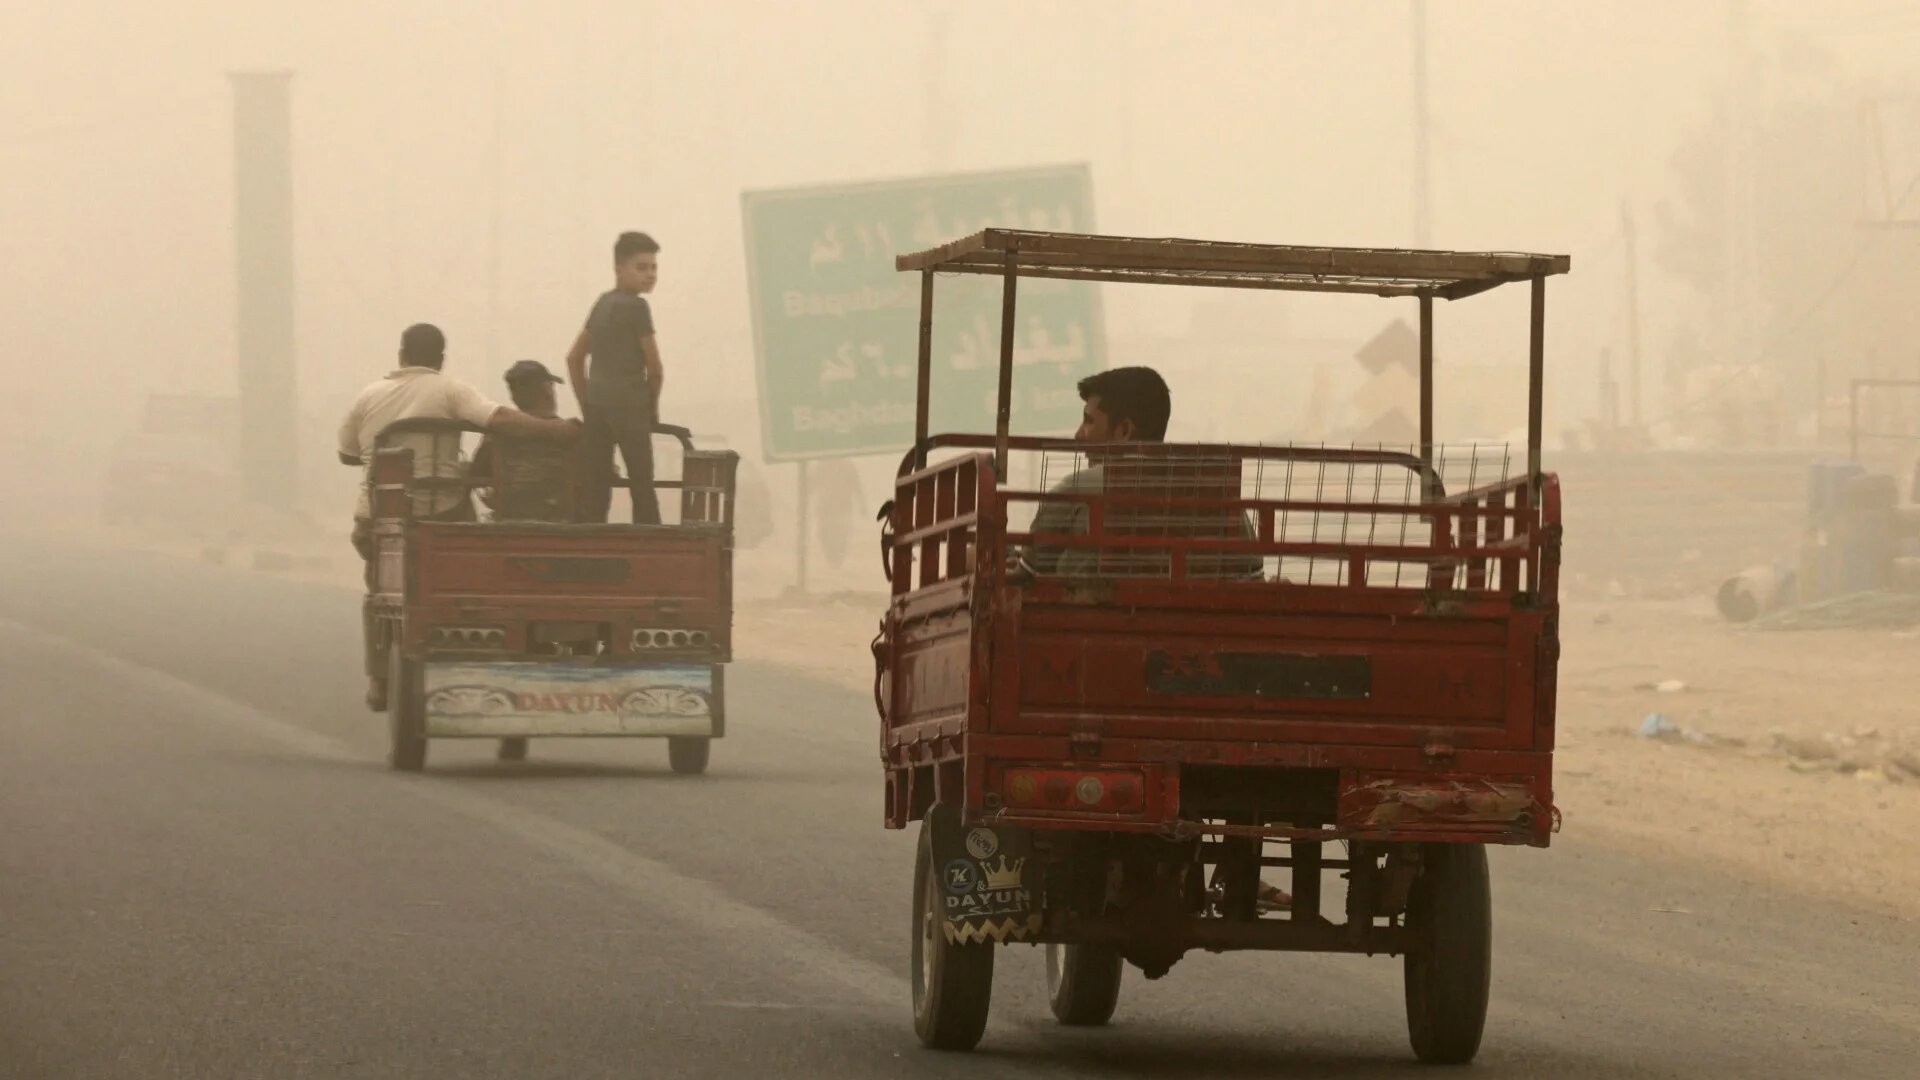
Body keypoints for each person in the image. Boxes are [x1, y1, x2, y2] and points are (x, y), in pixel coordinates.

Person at [337, 323, 580, 708]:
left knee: (378, 590)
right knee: (471, 554)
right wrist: (557, 432)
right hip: (440, 517)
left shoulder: (368, 396)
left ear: (401, 355)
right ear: (441, 359)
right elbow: (499, 419)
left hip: (379, 518)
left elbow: (347, 454)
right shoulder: (449, 390)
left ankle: (378, 680)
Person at [1021, 366, 1261, 581]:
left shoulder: (1079, 489)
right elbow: (1252, 576)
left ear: (1124, 430)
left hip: (1094, 623)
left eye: (1089, 421)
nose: (1078, 434)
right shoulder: (1215, 490)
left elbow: (1030, 570)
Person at [568, 231, 665, 525]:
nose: (649, 275)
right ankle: (649, 555)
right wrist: (651, 406)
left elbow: (574, 358)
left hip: (597, 407)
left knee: (596, 489)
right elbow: (655, 367)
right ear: (619, 269)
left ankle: (589, 551)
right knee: (642, 486)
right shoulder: (637, 308)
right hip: (631, 407)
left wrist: (588, 402)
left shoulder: (603, 304)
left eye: (653, 268)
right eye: (641, 267)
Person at [472, 360, 578, 523]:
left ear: (514, 396)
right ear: (546, 390)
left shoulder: (495, 436)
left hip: (508, 522)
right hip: (563, 523)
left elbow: (476, 474)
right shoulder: (572, 432)